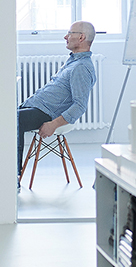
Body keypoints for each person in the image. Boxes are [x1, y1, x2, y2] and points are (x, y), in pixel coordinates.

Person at [16, 20, 97, 175]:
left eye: (70, 33)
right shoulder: (73, 61)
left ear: (81, 38)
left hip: (47, 113)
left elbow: (80, 105)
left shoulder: (81, 68)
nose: (65, 37)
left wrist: (53, 125)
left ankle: (13, 176)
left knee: (15, 121)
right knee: (7, 117)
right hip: (38, 107)